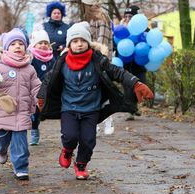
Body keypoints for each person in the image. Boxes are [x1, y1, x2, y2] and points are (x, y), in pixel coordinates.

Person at [37, 22, 153, 180]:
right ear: (69, 44)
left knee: (88, 140)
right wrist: (42, 96)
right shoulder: (62, 62)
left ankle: (81, 164)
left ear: (88, 43)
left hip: (91, 109)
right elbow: (48, 80)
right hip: (69, 108)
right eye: (75, 41)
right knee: (70, 136)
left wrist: (135, 82)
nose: (79, 44)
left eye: (83, 41)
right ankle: (68, 150)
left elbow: (117, 72)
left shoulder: (98, 60)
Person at [0, 28, 41, 180]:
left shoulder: (30, 68)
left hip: (22, 110)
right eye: (13, 43)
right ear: (6, 48)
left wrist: (40, 98)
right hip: (2, 110)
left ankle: (21, 167)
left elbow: (36, 87)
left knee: (20, 141)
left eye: (21, 43)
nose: (18, 46)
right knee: (1, 138)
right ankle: (1, 150)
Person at [82, 0, 114, 135]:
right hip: (91, 58)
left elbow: (102, 42)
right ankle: (94, 123)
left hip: (100, 59)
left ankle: (108, 121)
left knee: (103, 90)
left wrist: (97, 57)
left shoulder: (101, 17)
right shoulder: (90, 18)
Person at [121, 5, 149, 121]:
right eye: (126, 16)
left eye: (130, 16)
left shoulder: (144, 29)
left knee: (141, 84)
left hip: (139, 64)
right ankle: (131, 110)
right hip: (126, 64)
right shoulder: (122, 30)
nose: (128, 18)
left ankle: (135, 106)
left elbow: (149, 41)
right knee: (128, 87)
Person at [28, 30, 55, 145]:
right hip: (35, 90)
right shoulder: (32, 58)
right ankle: (34, 131)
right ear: (34, 45)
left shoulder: (52, 58)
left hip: (48, 90)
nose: (43, 45)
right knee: (35, 113)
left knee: (44, 112)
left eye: (45, 43)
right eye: (40, 43)